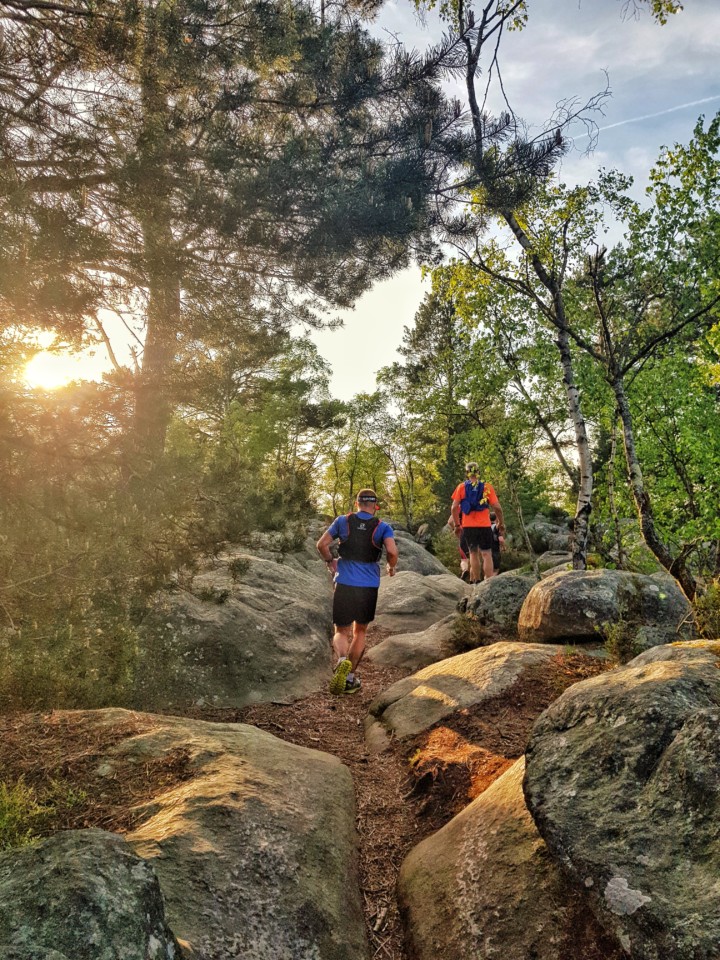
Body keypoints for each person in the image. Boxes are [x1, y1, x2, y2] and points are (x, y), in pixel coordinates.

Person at [316, 489, 398, 695]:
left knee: (340, 630)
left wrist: (330, 561)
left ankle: (342, 660)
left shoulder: (343, 522)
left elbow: (322, 544)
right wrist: (391, 566)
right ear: (375, 506)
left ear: (357, 503)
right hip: (368, 585)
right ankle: (350, 677)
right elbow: (392, 552)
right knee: (359, 631)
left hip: (344, 582)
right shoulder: (382, 527)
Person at [450, 462, 506, 583]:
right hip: (484, 525)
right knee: (486, 554)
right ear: (478, 472)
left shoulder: (461, 487)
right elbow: (497, 508)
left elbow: (454, 508)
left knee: (473, 554)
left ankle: (476, 582)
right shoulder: (486, 487)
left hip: (468, 526)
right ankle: (489, 582)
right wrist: (500, 523)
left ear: (467, 473)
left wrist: (457, 525)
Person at [447, 512, 470, 582]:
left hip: (463, 532)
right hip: (475, 531)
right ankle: (474, 579)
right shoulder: (475, 504)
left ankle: (465, 570)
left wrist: (455, 529)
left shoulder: (459, 507)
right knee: (474, 556)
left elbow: (450, 521)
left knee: (464, 559)